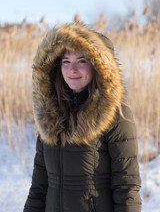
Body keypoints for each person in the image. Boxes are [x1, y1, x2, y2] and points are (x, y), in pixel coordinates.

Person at [23, 23, 142, 212]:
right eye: (66, 62)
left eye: (82, 61)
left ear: (99, 66)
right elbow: (39, 186)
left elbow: (126, 187)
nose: (73, 70)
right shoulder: (50, 115)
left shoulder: (115, 115)